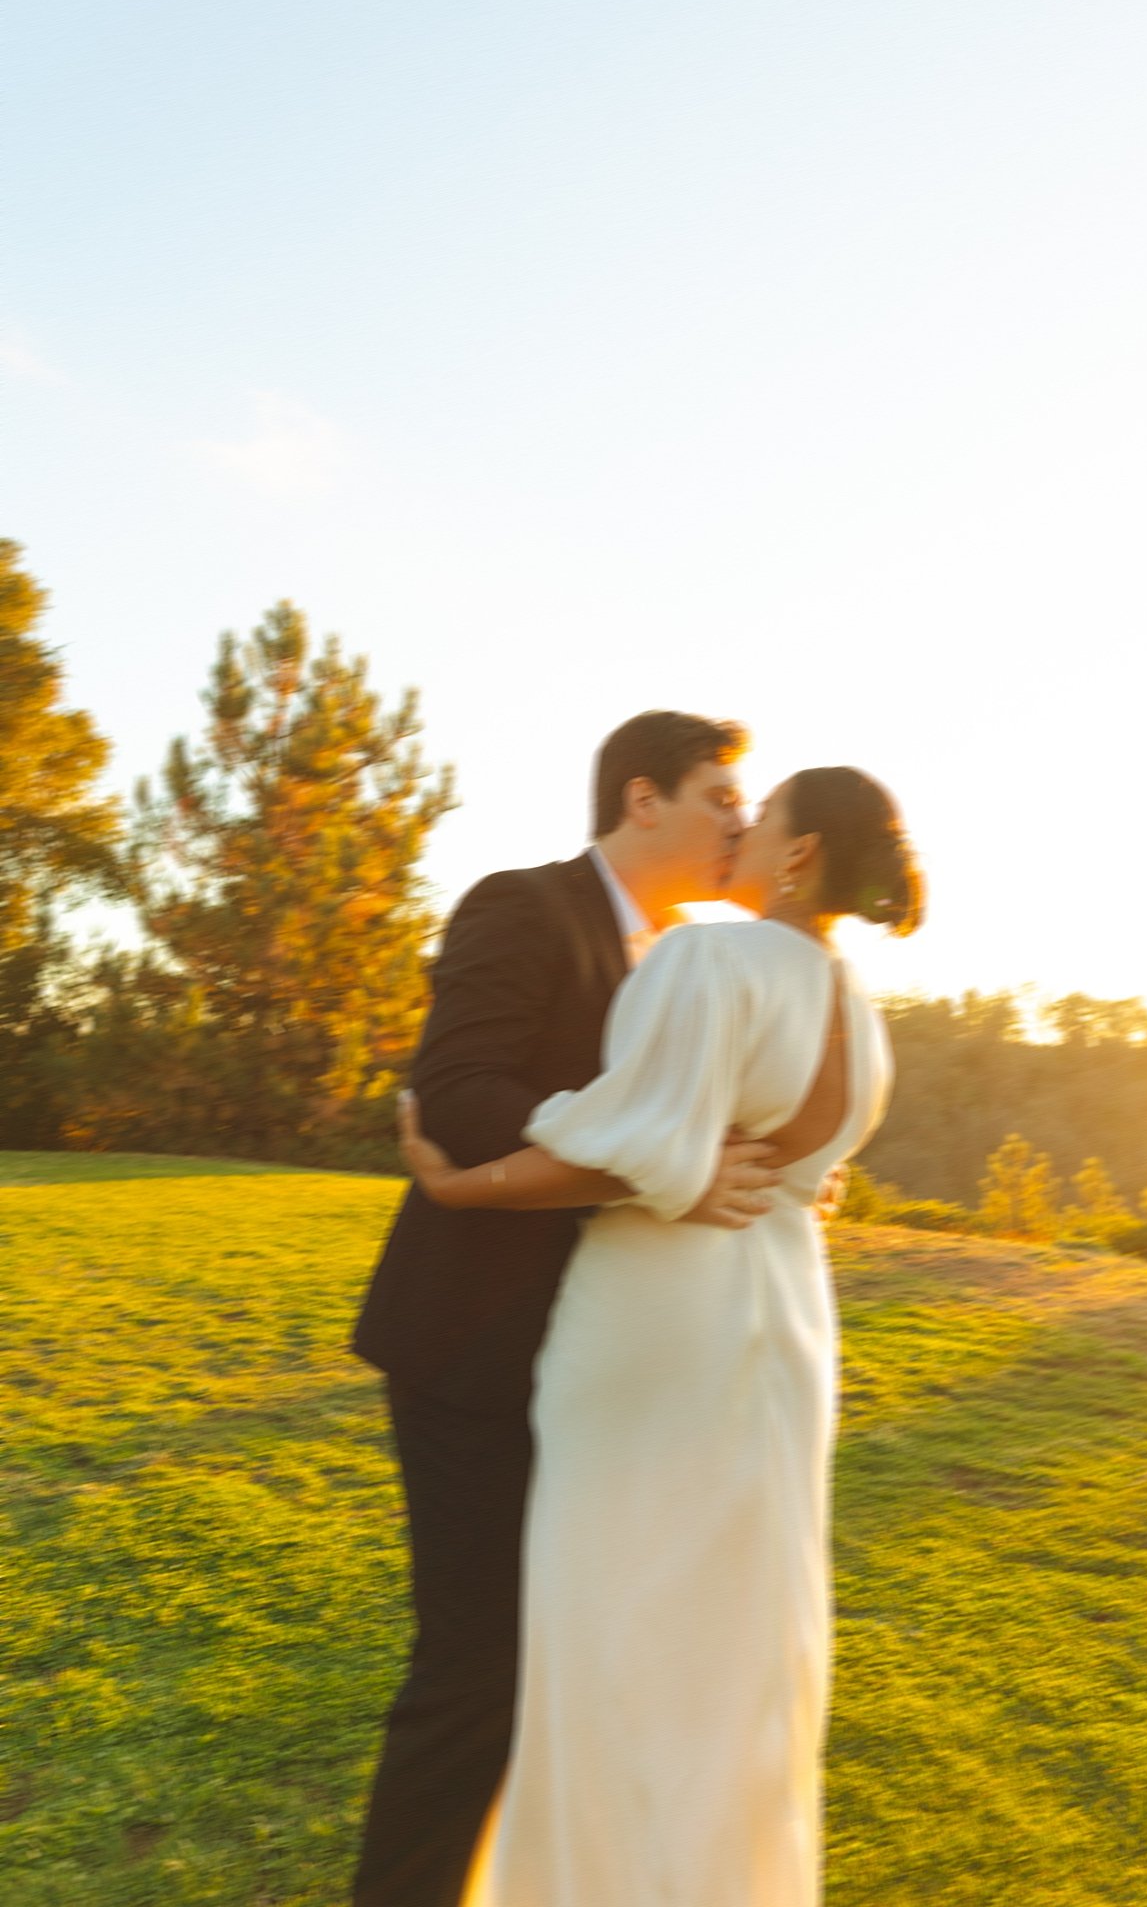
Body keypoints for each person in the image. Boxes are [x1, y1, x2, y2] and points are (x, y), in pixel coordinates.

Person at [398, 766, 924, 1907]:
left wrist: (462, 1175)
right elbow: (787, 1159)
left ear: (798, 854)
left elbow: (628, 1140)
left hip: (661, 1319)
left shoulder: (710, 956)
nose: (742, 823)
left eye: (764, 811)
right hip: (787, 1321)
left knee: (609, 1630)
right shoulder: (859, 1006)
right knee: (733, 1644)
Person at [351, 711, 778, 1907]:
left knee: (572, 1659)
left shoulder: (686, 961)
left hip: (604, 1364)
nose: (739, 821)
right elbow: (463, 1097)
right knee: (477, 1668)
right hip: (471, 1346)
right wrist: (669, 1166)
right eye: (719, 796)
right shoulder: (524, 904)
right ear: (643, 800)